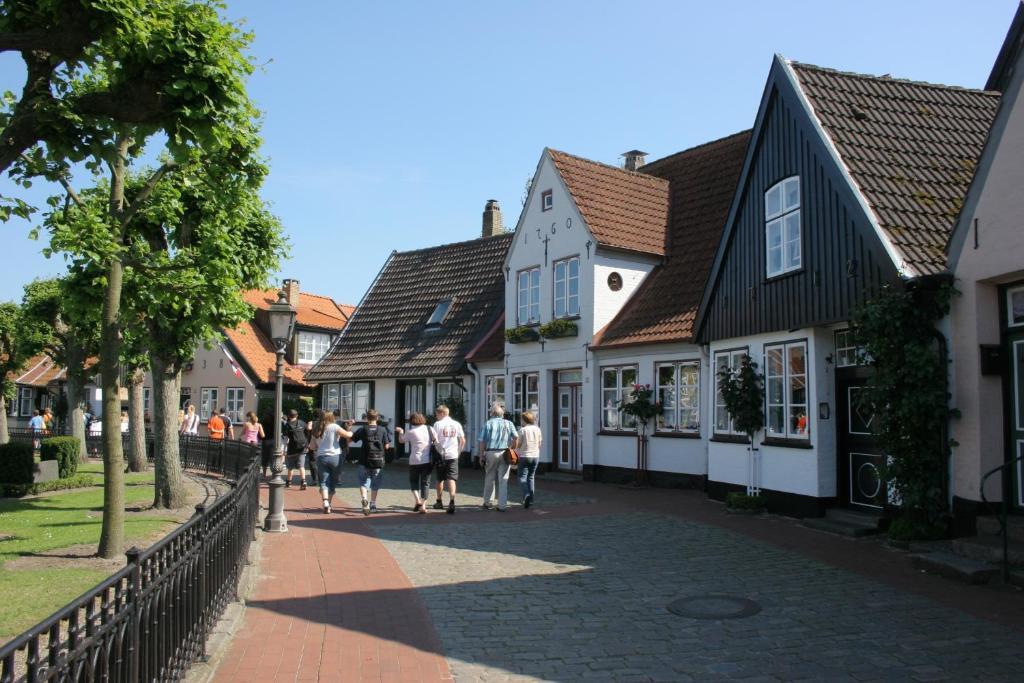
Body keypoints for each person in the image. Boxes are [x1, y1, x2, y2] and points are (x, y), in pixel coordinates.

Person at [347, 409, 392, 515]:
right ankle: (373, 504)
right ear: (377, 418)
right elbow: (387, 446)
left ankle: (364, 500)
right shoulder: (382, 429)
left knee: (363, 482)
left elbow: (350, 440)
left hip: (364, 460)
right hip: (378, 460)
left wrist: (349, 428)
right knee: (375, 483)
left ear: (367, 418)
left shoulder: (362, 429)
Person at [477, 403, 519, 511]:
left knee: (490, 477)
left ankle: (488, 502)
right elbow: (516, 437)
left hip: (491, 452)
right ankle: (502, 505)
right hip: (505, 453)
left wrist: (481, 456)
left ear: (492, 413)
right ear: (502, 414)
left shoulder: (488, 423)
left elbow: (482, 441)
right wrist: (512, 448)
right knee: (503, 479)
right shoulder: (509, 423)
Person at [395, 412, 433, 513]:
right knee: (425, 483)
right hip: (427, 460)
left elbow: (401, 441)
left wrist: (401, 431)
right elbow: (436, 441)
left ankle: (417, 500)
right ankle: (423, 505)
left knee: (413, 481)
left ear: (412, 421)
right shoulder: (429, 429)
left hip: (414, 460)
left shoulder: (411, 432)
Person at [432, 404, 465, 514]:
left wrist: (438, 449)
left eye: (437, 414)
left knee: (440, 478)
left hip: (442, 454)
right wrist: (458, 452)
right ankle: (452, 501)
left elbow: (435, 440)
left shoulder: (437, 424)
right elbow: (463, 440)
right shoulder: (457, 424)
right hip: (453, 455)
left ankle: (439, 501)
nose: (436, 416)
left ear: (441, 413)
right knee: (451, 478)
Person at [313, 412, 346, 513]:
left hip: (321, 457)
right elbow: (347, 434)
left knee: (323, 481)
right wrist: (351, 431)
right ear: (332, 418)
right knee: (333, 481)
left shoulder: (316, 428)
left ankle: (325, 502)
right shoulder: (334, 426)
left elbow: (311, 447)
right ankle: (329, 503)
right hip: (335, 456)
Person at [517, 411, 543, 508]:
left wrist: (515, 449)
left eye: (521, 419)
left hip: (524, 456)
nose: (521, 421)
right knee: (531, 477)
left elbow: (518, 444)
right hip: (535, 456)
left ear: (524, 420)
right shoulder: (537, 429)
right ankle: (531, 499)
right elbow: (540, 443)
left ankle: (526, 494)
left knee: (521, 477)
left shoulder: (522, 430)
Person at [282, 409, 309, 489]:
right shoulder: (302, 422)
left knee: (290, 467)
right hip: (302, 448)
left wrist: (284, 449)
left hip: (292, 448)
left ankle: (288, 482)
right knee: (301, 466)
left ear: (289, 416)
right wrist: (307, 445)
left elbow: (286, 438)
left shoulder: (287, 425)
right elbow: (307, 433)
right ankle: (303, 481)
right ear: (297, 415)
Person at [259, 412, 276, 479]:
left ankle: (264, 474)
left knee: (265, 458)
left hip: (265, 441)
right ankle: (274, 474)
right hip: (273, 441)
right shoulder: (274, 423)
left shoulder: (263, 423)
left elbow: (260, 434)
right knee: (273, 458)